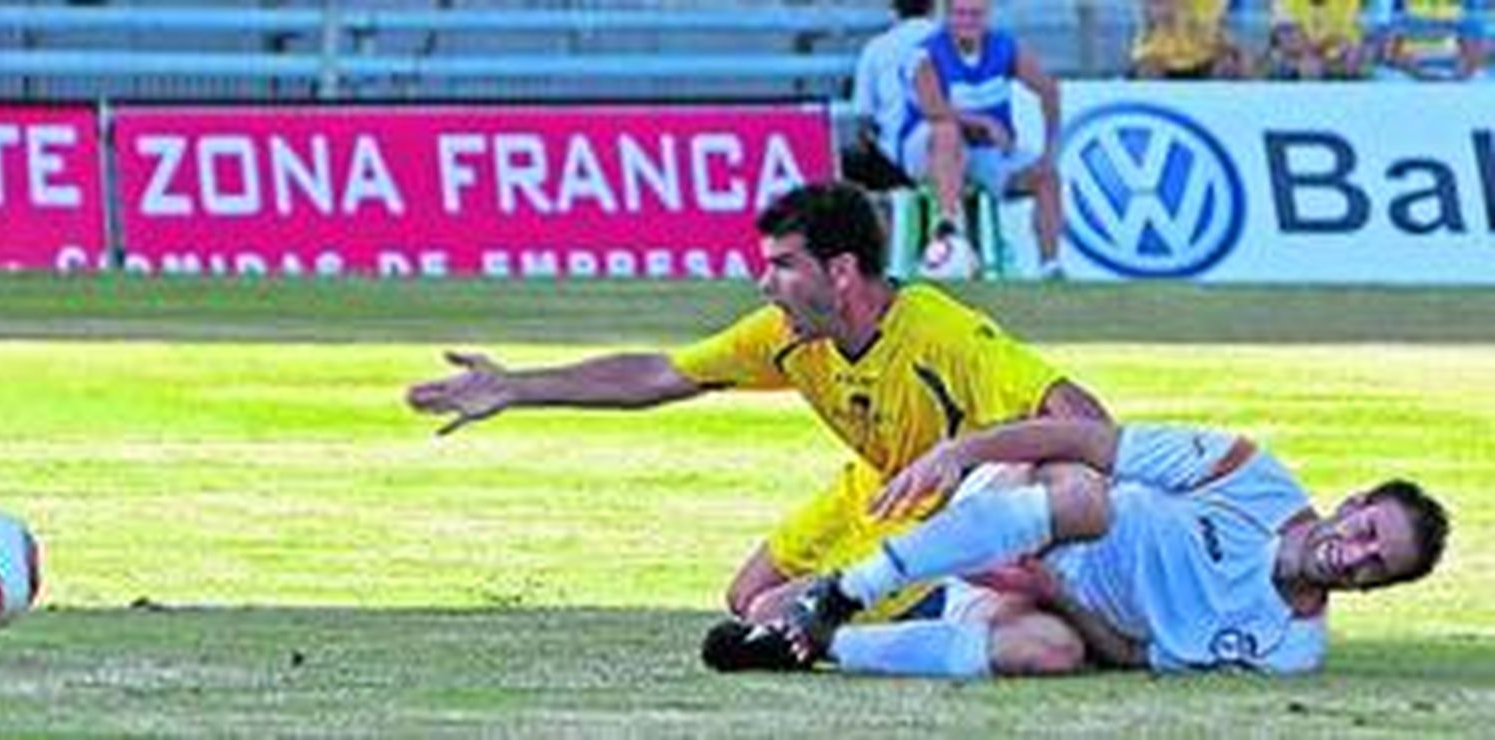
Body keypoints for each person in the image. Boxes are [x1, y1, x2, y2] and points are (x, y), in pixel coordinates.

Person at [406, 181, 1108, 626]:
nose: (762, 284)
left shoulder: (940, 333)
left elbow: (1086, 419)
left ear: (839, 274)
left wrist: (990, 474)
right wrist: (516, 386)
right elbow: (659, 376)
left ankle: (973, 595)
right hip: (873, 492)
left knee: (775, 616)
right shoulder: (784, 335)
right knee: (747, 597)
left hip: (942, 518)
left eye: (780, 265)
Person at [705, 419, 1450, 679]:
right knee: (1090, 501)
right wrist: (960, 454)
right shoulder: (1246, 472)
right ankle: (844, 591)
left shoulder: (1289, 649)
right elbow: (1083, 441)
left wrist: (1052, 592)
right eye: (1365, 531)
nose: (1354, 555)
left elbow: (1131, 658)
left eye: (1375, 566)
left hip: (1031, 587)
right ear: (1352, 503)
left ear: (1376, 589)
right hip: (1021, 506)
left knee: (1053, 653)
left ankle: (818, 646)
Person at [896, 0, 1066, 281]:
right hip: (928, 149)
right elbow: (933, 108)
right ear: (947, 16)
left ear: (987, 17)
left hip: (985, 152)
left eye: (975, 14)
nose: (968, 21)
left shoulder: (1004, 47)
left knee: (1047, 176)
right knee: (947, 132)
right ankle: (949, 225)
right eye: (961, 14)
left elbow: (1048, 90)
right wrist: (984, 122)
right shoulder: (925, 53)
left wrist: (1050, 150)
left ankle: (1050, 265)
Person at [842, 0, 938, 192]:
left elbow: (863, 116)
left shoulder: (876, 48)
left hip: (893, 165)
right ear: (933, 6)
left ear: (894, 9)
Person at [1130, 0, 1253, 79]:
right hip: (1159, 54)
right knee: (1148, 71)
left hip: (1206, 54)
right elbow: (1157, 13)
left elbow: (1224, 24)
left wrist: (1232, 50)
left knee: (1231, 65)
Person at [1375, 0, 1486, 81]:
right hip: (1407, 73)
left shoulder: (1469, 7)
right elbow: (1387, 51)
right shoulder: (1395, 6)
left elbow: (1476, 51)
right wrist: (1409, 69)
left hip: (1455, 73)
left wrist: (1461, 73)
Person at [1267, 0, 1372, 79]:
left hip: (1335, 59)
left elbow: (1351, 38)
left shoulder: (1349, 2)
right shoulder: (1286, 3)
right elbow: (1284, 34)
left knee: (1357, 60)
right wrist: (1306, 55)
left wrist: (1332, 57)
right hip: (1297, 58)